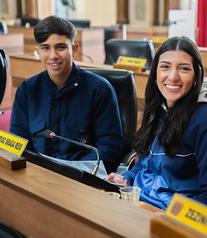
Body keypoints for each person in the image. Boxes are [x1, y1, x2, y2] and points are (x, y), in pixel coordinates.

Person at [105, 36, 207, 210]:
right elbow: (145, 163)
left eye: (184, 69)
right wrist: (126, 178)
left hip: (168, 216)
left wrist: (170, 217)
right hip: (138, 203)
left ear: (196, 76)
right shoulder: (157, 109)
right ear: (156, 73)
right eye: (165, 67)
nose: (173, 77)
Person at [10, 15, 123, 173]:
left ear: (74, 49)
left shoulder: (100, 89)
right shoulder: (27, 90)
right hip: (38, 175)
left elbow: (109, 147)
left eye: (61, 47)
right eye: (45, 48)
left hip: (83, 178)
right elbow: (19, 141)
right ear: (37, 51)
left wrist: (77, 175)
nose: (53, 55)